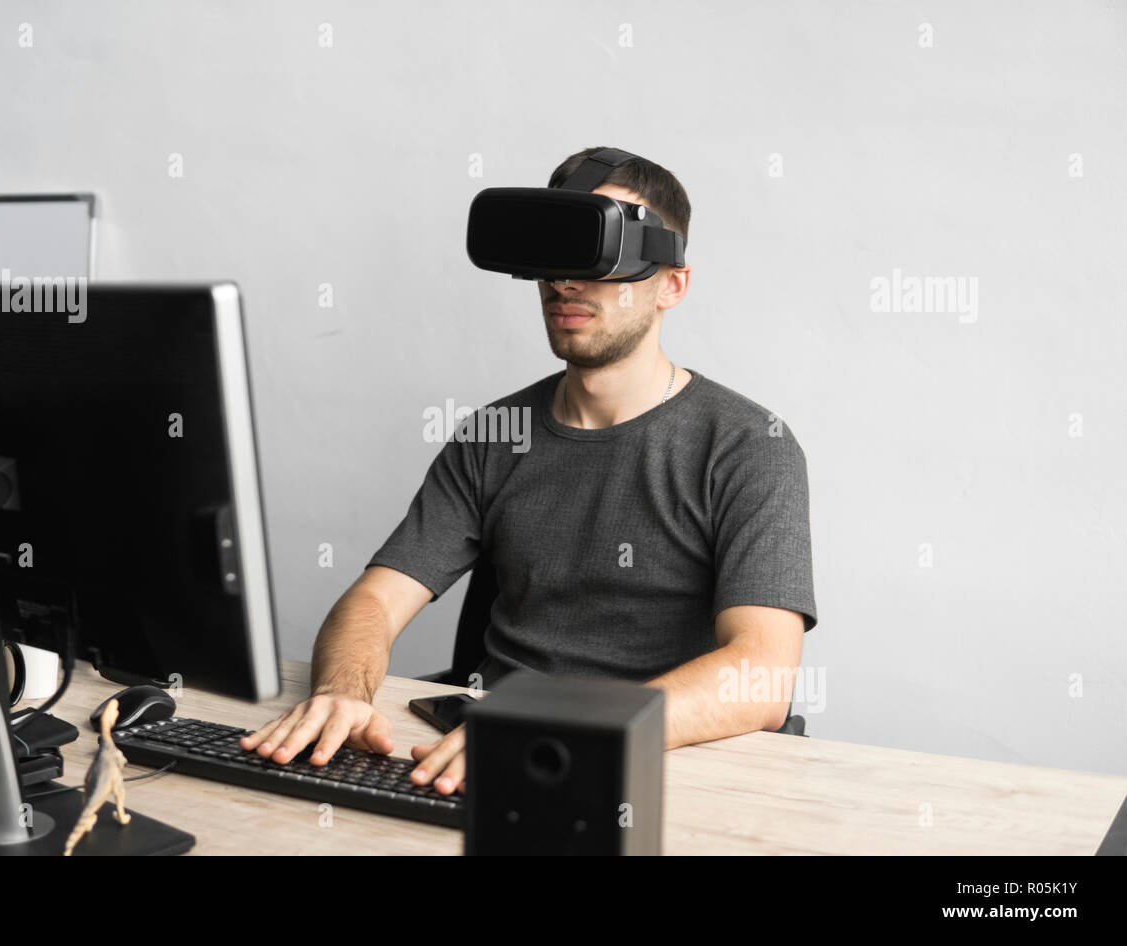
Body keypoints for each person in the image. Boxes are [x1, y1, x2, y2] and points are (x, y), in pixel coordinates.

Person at [242, 146, 817, 796]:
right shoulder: (494, 436)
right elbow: (376, 598)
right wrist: (342, 693)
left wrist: (567, 729)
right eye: (555, 257)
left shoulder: (746, 446)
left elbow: (762, 676)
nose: (565, 282)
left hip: (658, 766)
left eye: (599, 258)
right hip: (481, 755)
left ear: (671, 284)